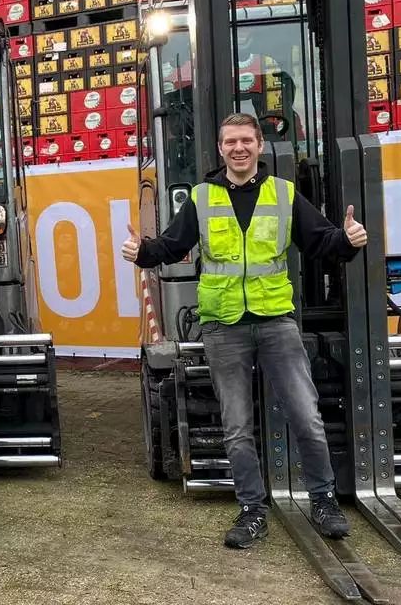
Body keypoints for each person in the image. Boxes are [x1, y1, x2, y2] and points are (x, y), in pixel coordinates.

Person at [122, 112, 368, 549]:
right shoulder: (202, 196)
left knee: (307, 417)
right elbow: (172, 245)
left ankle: (324, 500)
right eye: (230, 141)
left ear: (259, 146)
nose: (239, 148)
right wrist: (142, 250)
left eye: (246, 141)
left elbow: (320, 243)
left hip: (276, 322)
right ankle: (252, 509)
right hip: (224, 328)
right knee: (236, 426)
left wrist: (346, 240)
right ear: (221, 149)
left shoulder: (284, 193)